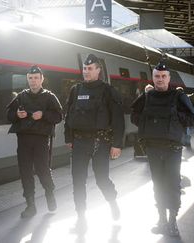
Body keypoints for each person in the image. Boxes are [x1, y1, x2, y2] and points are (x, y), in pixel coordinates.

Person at [130, 62, 194, 237]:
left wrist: (175, 118)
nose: (160, 79)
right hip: (152, 148)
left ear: (169, 78)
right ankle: (161, 219)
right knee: (158, 185)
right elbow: (134, 116)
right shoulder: (146, 96)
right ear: (152, 78)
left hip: (172, 149)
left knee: (173, 185)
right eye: (157, 76)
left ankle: (172, 222)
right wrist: (148, 124)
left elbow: (192, 119)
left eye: (163, 76)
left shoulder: (178, 96)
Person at [64, 54, 125, 229]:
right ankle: (81, 218)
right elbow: (68, 115)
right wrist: (68, 137)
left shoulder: (108, 91)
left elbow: (118, 120)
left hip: (101, 143)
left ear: (98, 70)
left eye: (90, 69)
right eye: (84, 68)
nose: (86, 72)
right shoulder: (76, 90)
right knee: (78, 180)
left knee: (101, 179)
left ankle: (112, 202)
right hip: (79, 143)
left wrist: (117, 144)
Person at [7, 65, 63, 218]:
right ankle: (30, 205)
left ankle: (49, 192)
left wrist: (43, 114)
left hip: (41, 140)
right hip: (23, 139)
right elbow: (9, 115)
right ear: (27, 79)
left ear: (42, 79)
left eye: (36, 78)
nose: (33, 81)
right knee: (25, 172)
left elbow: (59, 116)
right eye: (30, 78)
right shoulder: (21, 96)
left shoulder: (50, 96)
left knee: (42, 170)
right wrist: (18, 114)